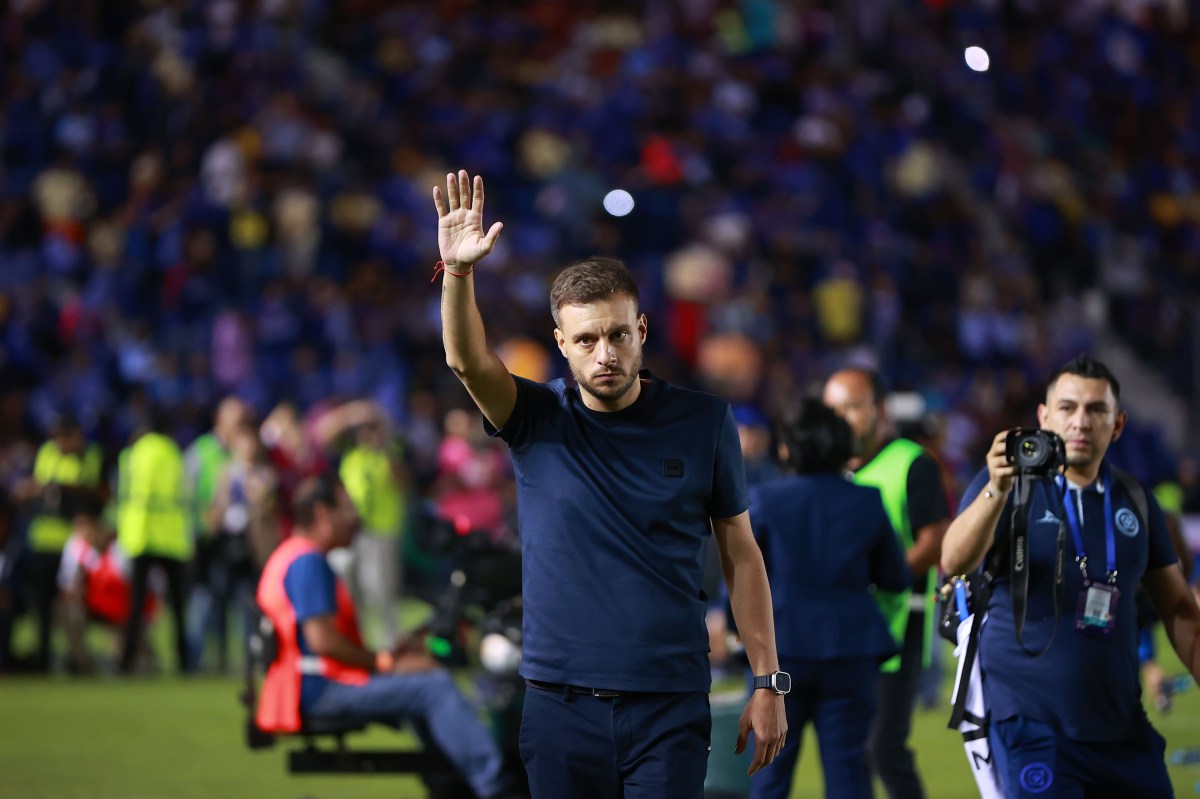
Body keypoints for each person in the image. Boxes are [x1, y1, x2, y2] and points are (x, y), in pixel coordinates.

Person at [433, 170, 786, 799]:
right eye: (587, 339)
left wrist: (767, 681)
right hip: (559, 704)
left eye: (618, 334)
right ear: (561, 345)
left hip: (670, 702)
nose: (605, 354)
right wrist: (458, 276)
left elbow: (740, 551)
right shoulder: (533, 418)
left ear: (641, 332)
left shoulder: (704, 421)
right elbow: (465, 360)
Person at [941, 355, 1200, 797]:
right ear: (1044, 417)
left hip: (1122, 728)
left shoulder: (1136, 500)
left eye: (1096, 410)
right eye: (1067, 407)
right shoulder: (1006, 486)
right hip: (1031, 724)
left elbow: (1177, 606)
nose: (1081, 421)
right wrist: (996, 489)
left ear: (1117, 425)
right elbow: (955, 559)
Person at [255, 476, 512, 799]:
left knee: (422, 683)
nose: (355, 517)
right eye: (347, 507)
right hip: (317, 690)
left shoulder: (289, 555)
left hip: (305, 686)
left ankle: (449, 782)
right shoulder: (308, 561)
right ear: (322, 513)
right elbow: (322, 642)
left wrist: (392, 656)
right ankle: (498, 787)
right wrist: (385, 662)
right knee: (435, 686)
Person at [748, 397, 908, 799]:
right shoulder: (866, 499)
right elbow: (895, 578)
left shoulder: (767, 499)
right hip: (851, 648)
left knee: (769, 767)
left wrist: (737, 634)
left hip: (782, 653)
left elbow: (746, 579)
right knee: (849, 771)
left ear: (789, 447)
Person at [822, 368, 950, 799]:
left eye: (852, 407)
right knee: (846, 750)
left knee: (883, 747)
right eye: (832, 409)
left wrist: (884, 578)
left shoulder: (911, 462)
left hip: (895, 627)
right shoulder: (824, 471)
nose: (841, 418)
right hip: (837, 630)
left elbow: (935, 540)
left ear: (879, 411)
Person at [14, 413, 104, 671]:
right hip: (44, 541)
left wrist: (55, 488)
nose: (61, 443)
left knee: (73, 607)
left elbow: (87, 489)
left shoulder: (89, 455)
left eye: (66, 437)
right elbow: (38, 486)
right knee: (43, 607)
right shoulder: (47, 453)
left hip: (72, 545)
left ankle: (76, 659)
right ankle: (44, 660)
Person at [117, 417, 191, 674]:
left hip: (141, 533)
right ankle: (184, 662)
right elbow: (183, 492)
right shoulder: (173, 452)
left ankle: (126, 661)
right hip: (171, 536)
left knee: (135, 605)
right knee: (178, 607)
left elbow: (126, 492)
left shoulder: (134, 453)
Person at [58, 501, 155, 673]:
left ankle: (137, 661)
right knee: (70, 616)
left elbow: (138, 588)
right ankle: (85, 665)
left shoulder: (120, 549)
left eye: (87, 525)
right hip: (92, 608)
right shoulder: (75, 547)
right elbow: (67, 587)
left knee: (139, 653)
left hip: (121, 610)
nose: (83, 531)